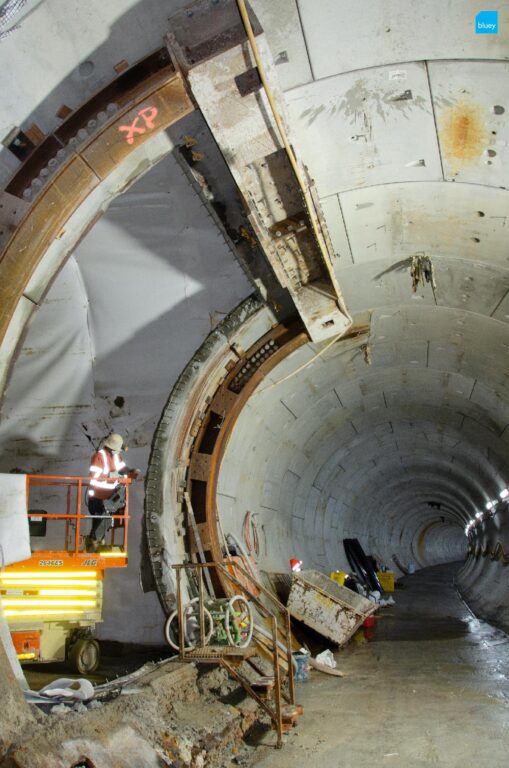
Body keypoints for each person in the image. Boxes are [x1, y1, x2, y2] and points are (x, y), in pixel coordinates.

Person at [85, 433, 138, 552]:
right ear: (110, 447)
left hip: (109, 497)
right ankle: (93, 544)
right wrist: (110, 475)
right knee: (102, 521)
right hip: (97, 498)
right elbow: (94, 475)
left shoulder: (116, 456)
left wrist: (131, 472)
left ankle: (96, 545)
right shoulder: (99, 456)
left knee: (103, 522)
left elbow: (122, 469)